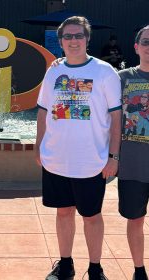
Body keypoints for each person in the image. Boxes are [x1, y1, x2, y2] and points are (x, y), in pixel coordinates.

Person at [36, 16, 122, 280]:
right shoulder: (54, 71)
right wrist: (40, 147)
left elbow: (116, 118)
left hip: (91, 161)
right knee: (63, 213)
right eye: (68, 37)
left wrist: (113, 156)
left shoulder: (105, 72)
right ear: (60, 41)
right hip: (57, 159)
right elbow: (42, 111)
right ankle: (65, 264)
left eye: (78, 36)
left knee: (92, 216)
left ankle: (95, 268)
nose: (73, 41)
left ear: (87, 39)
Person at [118, 25, 149, 280]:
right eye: (146, 42)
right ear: (136, 47)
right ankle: (139, 270)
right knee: (135, 219)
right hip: (132, 166)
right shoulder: (121, 78)